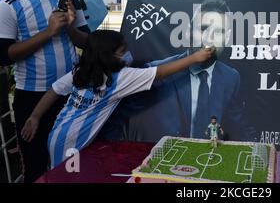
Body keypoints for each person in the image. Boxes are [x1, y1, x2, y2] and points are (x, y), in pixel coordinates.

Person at [20, 30, 215, 169]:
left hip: (57, 135)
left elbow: (54, 89)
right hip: (72, 145)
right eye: (122, 52)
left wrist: (35, 116)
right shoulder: (119, 77)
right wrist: (195, 57)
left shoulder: (81, 70)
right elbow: (161, 72)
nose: (127, 56)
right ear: (109, 55)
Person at [0, 0, 89, 182]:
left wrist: (70, 28)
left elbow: (88, 43)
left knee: (74, 161)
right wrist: (48, 32)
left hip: (72, 93)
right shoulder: (10, 6)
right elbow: (4, 55)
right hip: (31, 96)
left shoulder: (69, 1)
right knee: (35, 163)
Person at [120, 0, 254, 142]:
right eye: (203, 29)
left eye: (219, 32)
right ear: (189, 32)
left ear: (227, 38)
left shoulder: (231, 77)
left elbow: (238, 126)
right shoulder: (156, 72)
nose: (209, 38)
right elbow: (120, 119)